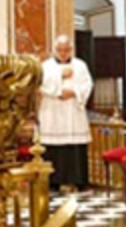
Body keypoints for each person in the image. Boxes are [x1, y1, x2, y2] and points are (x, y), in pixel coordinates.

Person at [40, 36, 94, 192]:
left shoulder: (80, 65)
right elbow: (39, 85)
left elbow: (88, 84)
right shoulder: (46, 66)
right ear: (55, 50)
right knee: (53, 149)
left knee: (74, 147)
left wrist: (74, 92)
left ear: (71, 49)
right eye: (60, 50)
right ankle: (53, 182)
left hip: (73, 110)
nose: (63, 53)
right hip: (53, 110)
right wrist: (59, 80)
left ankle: (77, 180)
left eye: (66, 50)